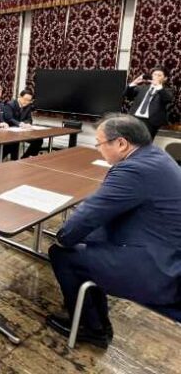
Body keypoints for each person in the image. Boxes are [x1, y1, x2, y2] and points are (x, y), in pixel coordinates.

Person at [47, 114, 181, 349]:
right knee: (87, 239)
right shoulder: (156, 156)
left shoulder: (133, 170)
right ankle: (93, 314)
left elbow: (89, 215)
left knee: (62, 254)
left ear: (121, 143)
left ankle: (93, 328)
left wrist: (63, 237)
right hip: (166, 248)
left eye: (99, 143)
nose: (98, 149)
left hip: (158, 266)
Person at [124, 66, 173, 139]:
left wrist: (158, 86)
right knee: (128, 139)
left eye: (159, 75)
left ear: (165, 78)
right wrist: (133, 83)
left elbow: (167, 99)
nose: (156, 77)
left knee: (145, 142)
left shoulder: (167, 90)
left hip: (150, 121)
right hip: (134, 117)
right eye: (154, 74)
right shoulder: (143, 87)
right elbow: (127, 95)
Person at [4, 89, 42, 160]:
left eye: (29, 100)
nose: (26, 102)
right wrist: (20, 124)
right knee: (15, 142)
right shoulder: (10, 104)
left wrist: (27, 124)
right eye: (25, 99)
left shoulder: (28, 106)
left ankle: (25, 158)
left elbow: (29, 119)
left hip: (22, 131)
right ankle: (13, 160)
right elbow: (9, 118)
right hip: (10, 131)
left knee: (38, 140)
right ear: (20, 96)